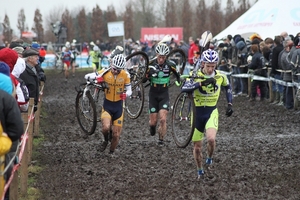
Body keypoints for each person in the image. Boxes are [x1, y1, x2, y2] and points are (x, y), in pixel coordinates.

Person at [181, 49, 233, 178]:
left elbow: (228, 87)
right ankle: (199, 170)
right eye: (208, 66)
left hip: (211, 111)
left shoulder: (220, 76)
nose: (210, 69)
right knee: (197, 147)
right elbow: (184, 88)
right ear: (203, 64)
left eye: (213, 66)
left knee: (211, 139)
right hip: (197, 112)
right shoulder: (195, 75)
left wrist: (230, 104)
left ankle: (209, 157)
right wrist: (201, 82)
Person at [146, 43, 181, 145]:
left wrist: (179, 81)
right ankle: (152, 127)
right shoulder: (150, 64)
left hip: (164, 93)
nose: (161, 59)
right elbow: (143, 80)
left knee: (163, 119)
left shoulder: (171, 65)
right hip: (153, 93)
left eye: (163, 57)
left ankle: (161, 140)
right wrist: (149, 75)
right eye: (160, 57)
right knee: (153, 122)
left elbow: (178, 76)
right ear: (156, 54)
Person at [97, 54, 132, 154]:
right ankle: (105, 140)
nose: (115, 71)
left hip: (118, 107)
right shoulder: (105, 72)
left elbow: (130, 90)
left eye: (118, 70)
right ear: (112, 65)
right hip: (107, 105)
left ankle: (111, 153)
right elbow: (89, 76)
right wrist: (96, 79)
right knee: (106, 128)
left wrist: (126, 94)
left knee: (116, 135)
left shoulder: (125, 75)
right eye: (114, 68)